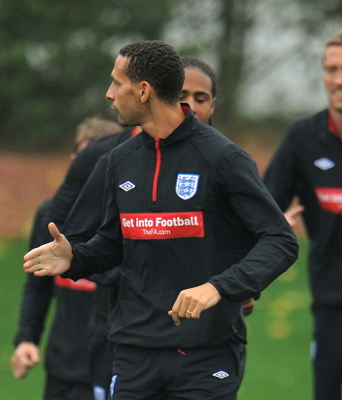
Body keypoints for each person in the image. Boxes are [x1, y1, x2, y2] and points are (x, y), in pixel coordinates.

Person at [23, 40, 299, 400]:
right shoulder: (119, 161)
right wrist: (75, 258)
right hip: (134, 352)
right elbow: (112, 244)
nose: (109, 94)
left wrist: (219, 287)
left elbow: (280, 240)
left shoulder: (222, 158)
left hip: (206, 354)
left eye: (116, 83)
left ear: (142, 91)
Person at [263, 27, 342, 400]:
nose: (339, 80)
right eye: (331, 69)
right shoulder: (303, 136)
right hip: (331, 301)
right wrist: (277, 226)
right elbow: (262, 205)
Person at [11, 117, 122, 400]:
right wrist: (26, 338)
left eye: (101, 163)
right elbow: (36, 284)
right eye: (84, 159)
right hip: (61, 368)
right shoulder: (51, 215)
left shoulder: (126, 218)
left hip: (113, 368)